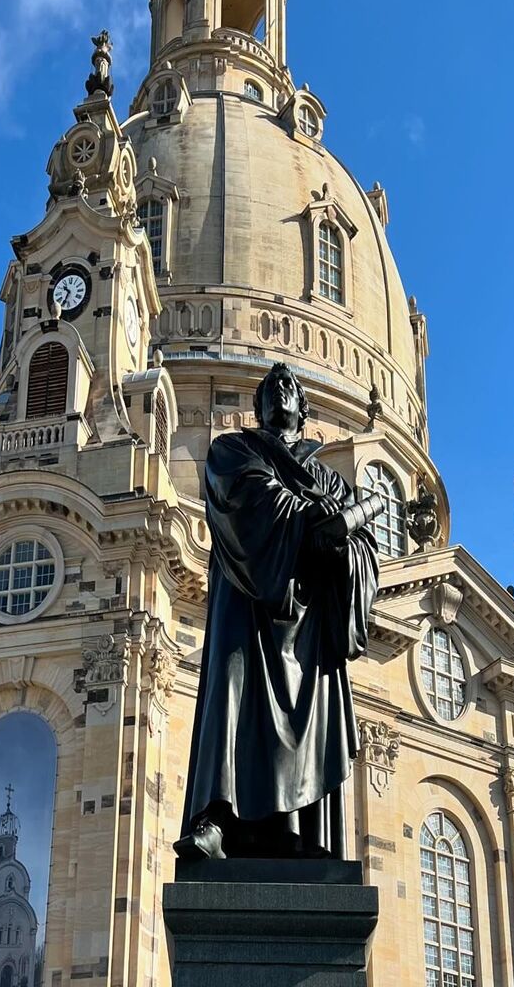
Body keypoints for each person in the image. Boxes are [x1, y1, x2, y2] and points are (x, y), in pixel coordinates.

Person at [174, 362, 380, 860]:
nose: (279, 388)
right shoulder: (232, 450)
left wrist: (342, 541)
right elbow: (250, 504)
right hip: (247, 598)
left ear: (305, 410)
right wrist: (323, 521)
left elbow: (363, 550)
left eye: (289, 385)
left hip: (308, 616)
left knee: (308, 720)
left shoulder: (330, 477)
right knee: (230, 693)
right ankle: (217, 819)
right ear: (257, 406)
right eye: (270, 386)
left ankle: (302, 835)